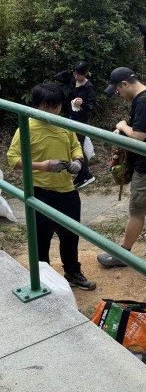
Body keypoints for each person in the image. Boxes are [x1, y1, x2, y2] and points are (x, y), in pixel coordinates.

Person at [7, 83, 96, 290]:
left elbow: (76, 146)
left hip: (67, 190)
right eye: (47, 107)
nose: (52, 111)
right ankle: (43, 278)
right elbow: (13, 159)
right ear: (37, 105)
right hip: (40, 192)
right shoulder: (26, 127)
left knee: (70, 236)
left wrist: (78, 161)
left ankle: (73, 273)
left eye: (56, 106)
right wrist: (43, 166)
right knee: (41, 239)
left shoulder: (63, 124)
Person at [97, 68, 146, 268]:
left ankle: (123, 255)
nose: (119, 94)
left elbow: (139, 136)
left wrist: (123, 126)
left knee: (137, 211)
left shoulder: (142, 101)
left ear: (125, 84)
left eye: (118, 90)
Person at [55, 61, 96, 189]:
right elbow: (58, 77)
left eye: (79, 75)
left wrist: (82, 103)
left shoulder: (88, 87)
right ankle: (81, 174)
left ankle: (86, 174)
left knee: (78, 146)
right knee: (74, 144)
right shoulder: (72, 80)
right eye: (75, 74)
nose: (77, 77)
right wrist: (70, 72)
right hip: (71, 118)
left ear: (85, 74)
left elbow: (91, 107)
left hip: (81, 121)